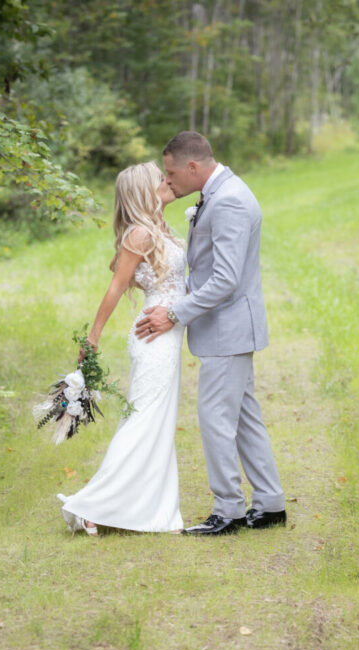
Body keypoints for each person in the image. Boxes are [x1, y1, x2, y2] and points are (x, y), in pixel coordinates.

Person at [135, 131, 286, 536]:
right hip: (227, 327)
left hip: (229, 328)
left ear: (193, 167)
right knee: (245, 417)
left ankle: (229, 510)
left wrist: (174, 313)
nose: (167, 182)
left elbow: (225, 280)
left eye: (170, 173)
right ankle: (270, 503)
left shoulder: (231, 200)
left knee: (216, 418)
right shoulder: (217, 192)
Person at [57, 161, 185, 535]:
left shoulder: (153, 230)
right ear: (143, 191)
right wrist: (92, 338)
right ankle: (92, 507)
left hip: (167, 334)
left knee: (157, 423)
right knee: (144, 420)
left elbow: (121, 267)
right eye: (158, 179)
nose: (166, 181)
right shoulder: (141, 234)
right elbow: (116, 285)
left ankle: (150, 510)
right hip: (153, 337)